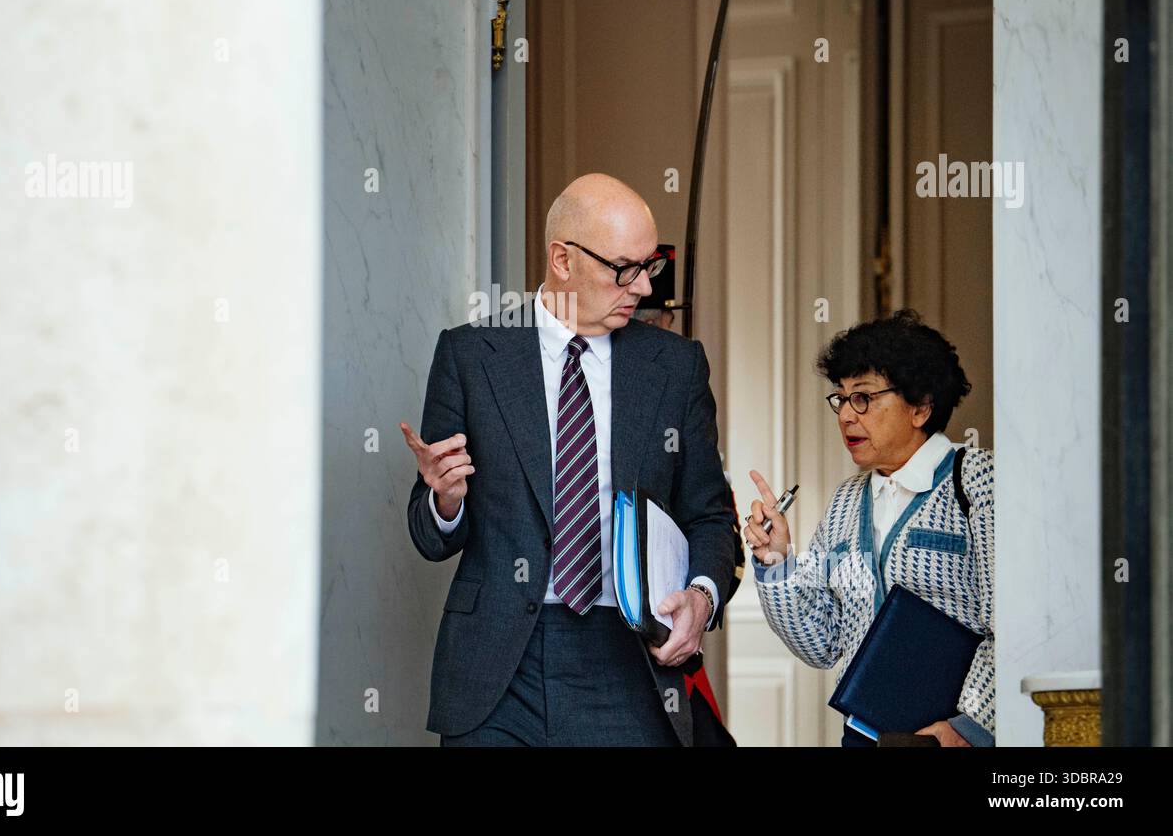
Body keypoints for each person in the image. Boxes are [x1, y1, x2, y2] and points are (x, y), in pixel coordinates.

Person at [400, 173, 736, 746]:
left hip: (628, 658)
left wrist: (702, 598)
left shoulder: (676, 367)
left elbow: (709, 513)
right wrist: (444, 500)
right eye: (622, 268)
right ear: (562, 259)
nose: (641, 288)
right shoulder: (471, 355)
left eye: (648, 268)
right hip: (498, 667)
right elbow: (431, 537)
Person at [741, 309, 994, 747]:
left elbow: (1012, 621)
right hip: (864, 737)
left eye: (864, 398)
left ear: (920, 407)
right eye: (841, 398)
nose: (845, 415)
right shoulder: (846, 501)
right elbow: (821, 640)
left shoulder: (977, 480)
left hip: (955, 738)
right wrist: (775, 560)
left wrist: (971, 728)